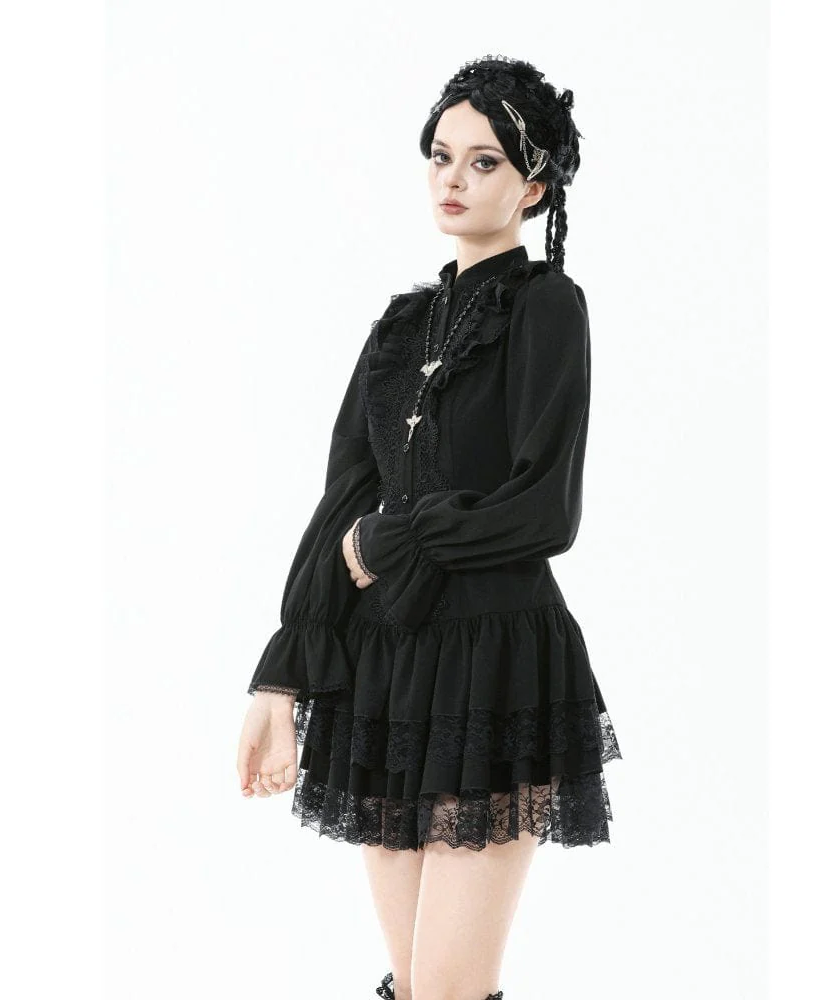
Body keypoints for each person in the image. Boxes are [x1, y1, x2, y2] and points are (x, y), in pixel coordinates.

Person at [235, 54, 622, 1000]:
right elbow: (341, 500)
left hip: (496, 659)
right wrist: (281, 676)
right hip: (387, 670)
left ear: (533, 187)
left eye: (484, 162)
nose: (453, 179)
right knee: (413, 986)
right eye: (441, 156)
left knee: (448, 987)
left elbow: (546, 509)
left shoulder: (547, 308)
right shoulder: (400, 328)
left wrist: (397, 539)